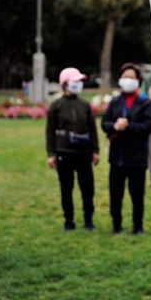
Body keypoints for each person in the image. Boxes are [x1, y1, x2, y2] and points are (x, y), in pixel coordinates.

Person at [101, 63, 151, 235]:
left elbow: (148, 126)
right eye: (125, 77)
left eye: (132, 77)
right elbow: (104, 123)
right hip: (117, 157)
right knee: (115, 195)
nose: (128, 80)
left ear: (138, 80)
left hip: (137, 157)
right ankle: (116, 225)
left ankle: (137, 226)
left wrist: (128, 126)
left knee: (137, 194)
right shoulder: (115, 101)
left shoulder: (145, 102)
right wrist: (115, 126)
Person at [45, 67, 100, 231]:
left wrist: (95, 151)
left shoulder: (85, 105)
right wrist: (51, 154)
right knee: (66, 189)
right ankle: (69, 221)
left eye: (79, 82)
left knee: (87, 189)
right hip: (64, 153)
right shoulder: (56, 106)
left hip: (84, 153)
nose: (78, 84)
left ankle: (88, 220)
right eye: (75, 81)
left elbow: (93, 129)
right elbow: (50, 131)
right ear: (65, 84)